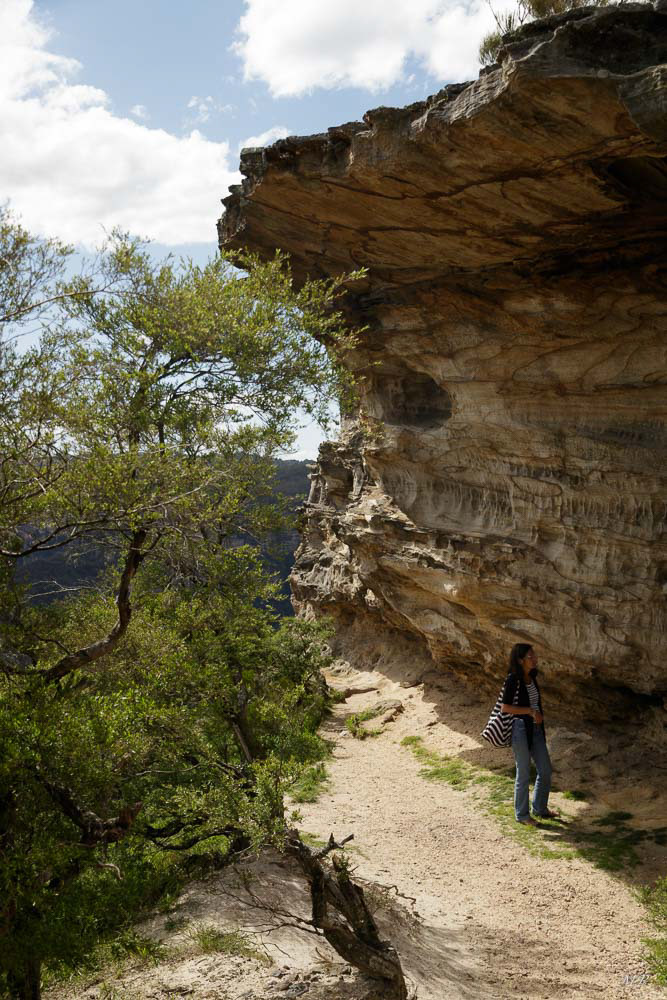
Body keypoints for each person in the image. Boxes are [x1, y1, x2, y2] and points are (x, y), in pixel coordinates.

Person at [501, 643, 557, 825]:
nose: (534, 659)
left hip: (536, 730)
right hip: (520, 730)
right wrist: (531, 712)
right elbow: (505, 707)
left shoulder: (532, 676)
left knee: (545, 769)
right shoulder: (513, 679)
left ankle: (540, 808)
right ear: (520, 660)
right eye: (530, 656)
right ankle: (522, 815)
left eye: (534, 655)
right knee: (523, 772)